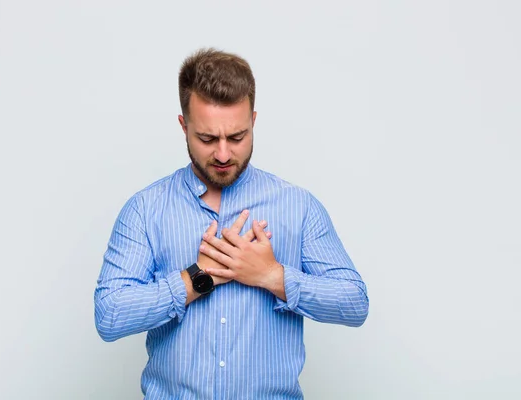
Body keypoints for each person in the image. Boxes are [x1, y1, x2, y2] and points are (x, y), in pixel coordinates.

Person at [94, 48, 369, 399]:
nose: (223, 154)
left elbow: (355, 303)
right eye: (207, 139)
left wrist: (272, 276)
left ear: (253, 121)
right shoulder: (146, 210)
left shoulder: (298, 206)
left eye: (237, 137)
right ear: (184, 125)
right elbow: (110, 316)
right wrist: (196, 278)